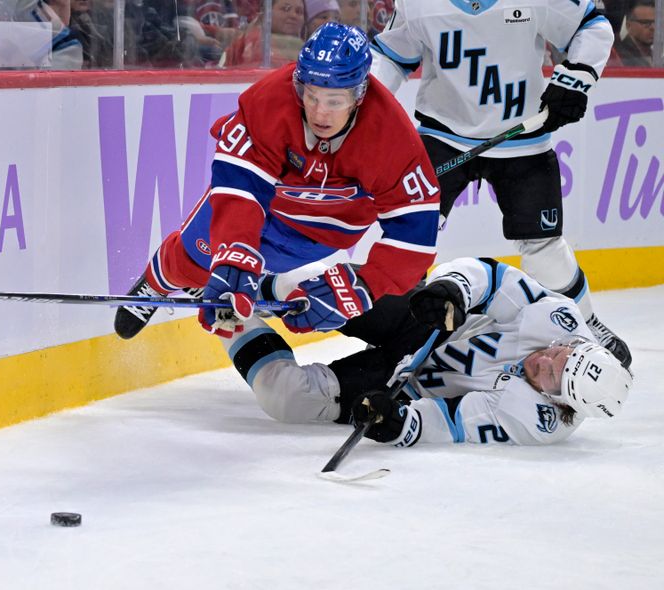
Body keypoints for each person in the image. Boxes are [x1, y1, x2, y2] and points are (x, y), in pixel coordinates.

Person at [115, 22, 440, 344]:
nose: (319, 114)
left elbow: (415, 237)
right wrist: (235, 251)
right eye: (310, 96)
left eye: (334, 101)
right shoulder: (270, 99)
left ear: (359, 94)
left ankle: (235, 281)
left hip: (321, 232)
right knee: (193, 259)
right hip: (265, 202)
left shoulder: (392, 139)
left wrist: (364, 287)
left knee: (248, 275)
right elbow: (239, 187)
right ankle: (159, 279)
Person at [369, 0, 632, 369]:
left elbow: (591, 25)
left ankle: (584, 325)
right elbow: (392, 55)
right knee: (414, 234)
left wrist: (577, 77)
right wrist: (364, 105)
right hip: (442, 135)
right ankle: (402, 333)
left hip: (524, 139)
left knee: (544, 247)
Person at [224, 257, 632, 447]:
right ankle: (240, 268)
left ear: (557, 402)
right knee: (321, 296)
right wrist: (453, 290)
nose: (543, 361)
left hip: (407, 383)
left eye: (549, 376)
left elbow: (455, 422)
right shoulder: (558, 318)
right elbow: (491, 277)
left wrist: (401, 422)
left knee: (288, 398)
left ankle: (225, 315)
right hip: (425, 322)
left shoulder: (539, 421)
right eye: (557, 355)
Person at [221, 0, 305, 67]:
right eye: (285, 9)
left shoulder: (310, 49)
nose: (293, 15)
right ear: (266, 13)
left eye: (299, 11)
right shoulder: (244, 45)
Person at [611, 0, 656, 67]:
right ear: (628, 26)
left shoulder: (656, 52)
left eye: (656, 23)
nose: (653, 28)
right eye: (646, 23)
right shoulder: (619, 56)